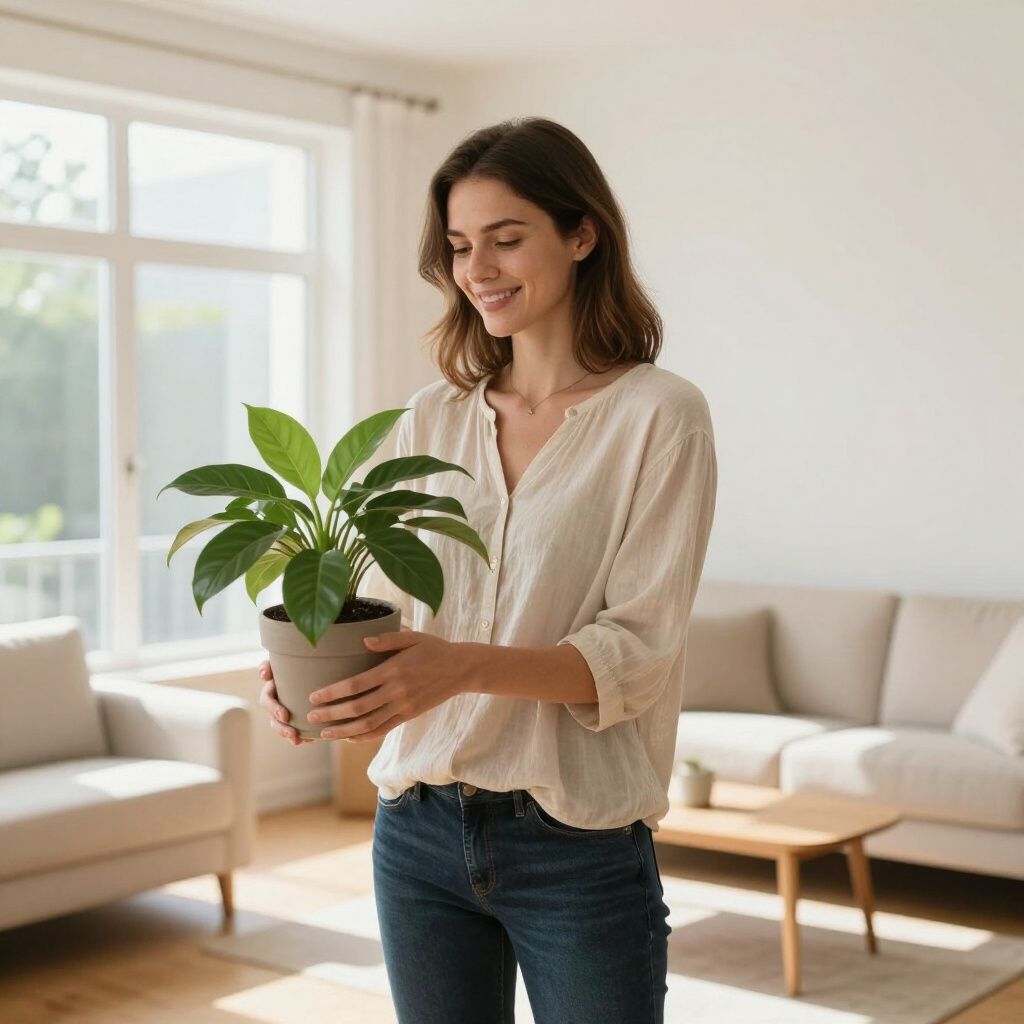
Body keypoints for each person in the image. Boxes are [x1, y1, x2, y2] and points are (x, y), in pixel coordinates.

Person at [259, 116, 718, 1023]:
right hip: (418, 830)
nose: (479, 269)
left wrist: (463, 663)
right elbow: (378, 605)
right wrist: (307, 672)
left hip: (577, 842)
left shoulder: (660, 417)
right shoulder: (433, 419)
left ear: (582, 234)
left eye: (507, 239)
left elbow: (639, 649)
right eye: (463, 246)